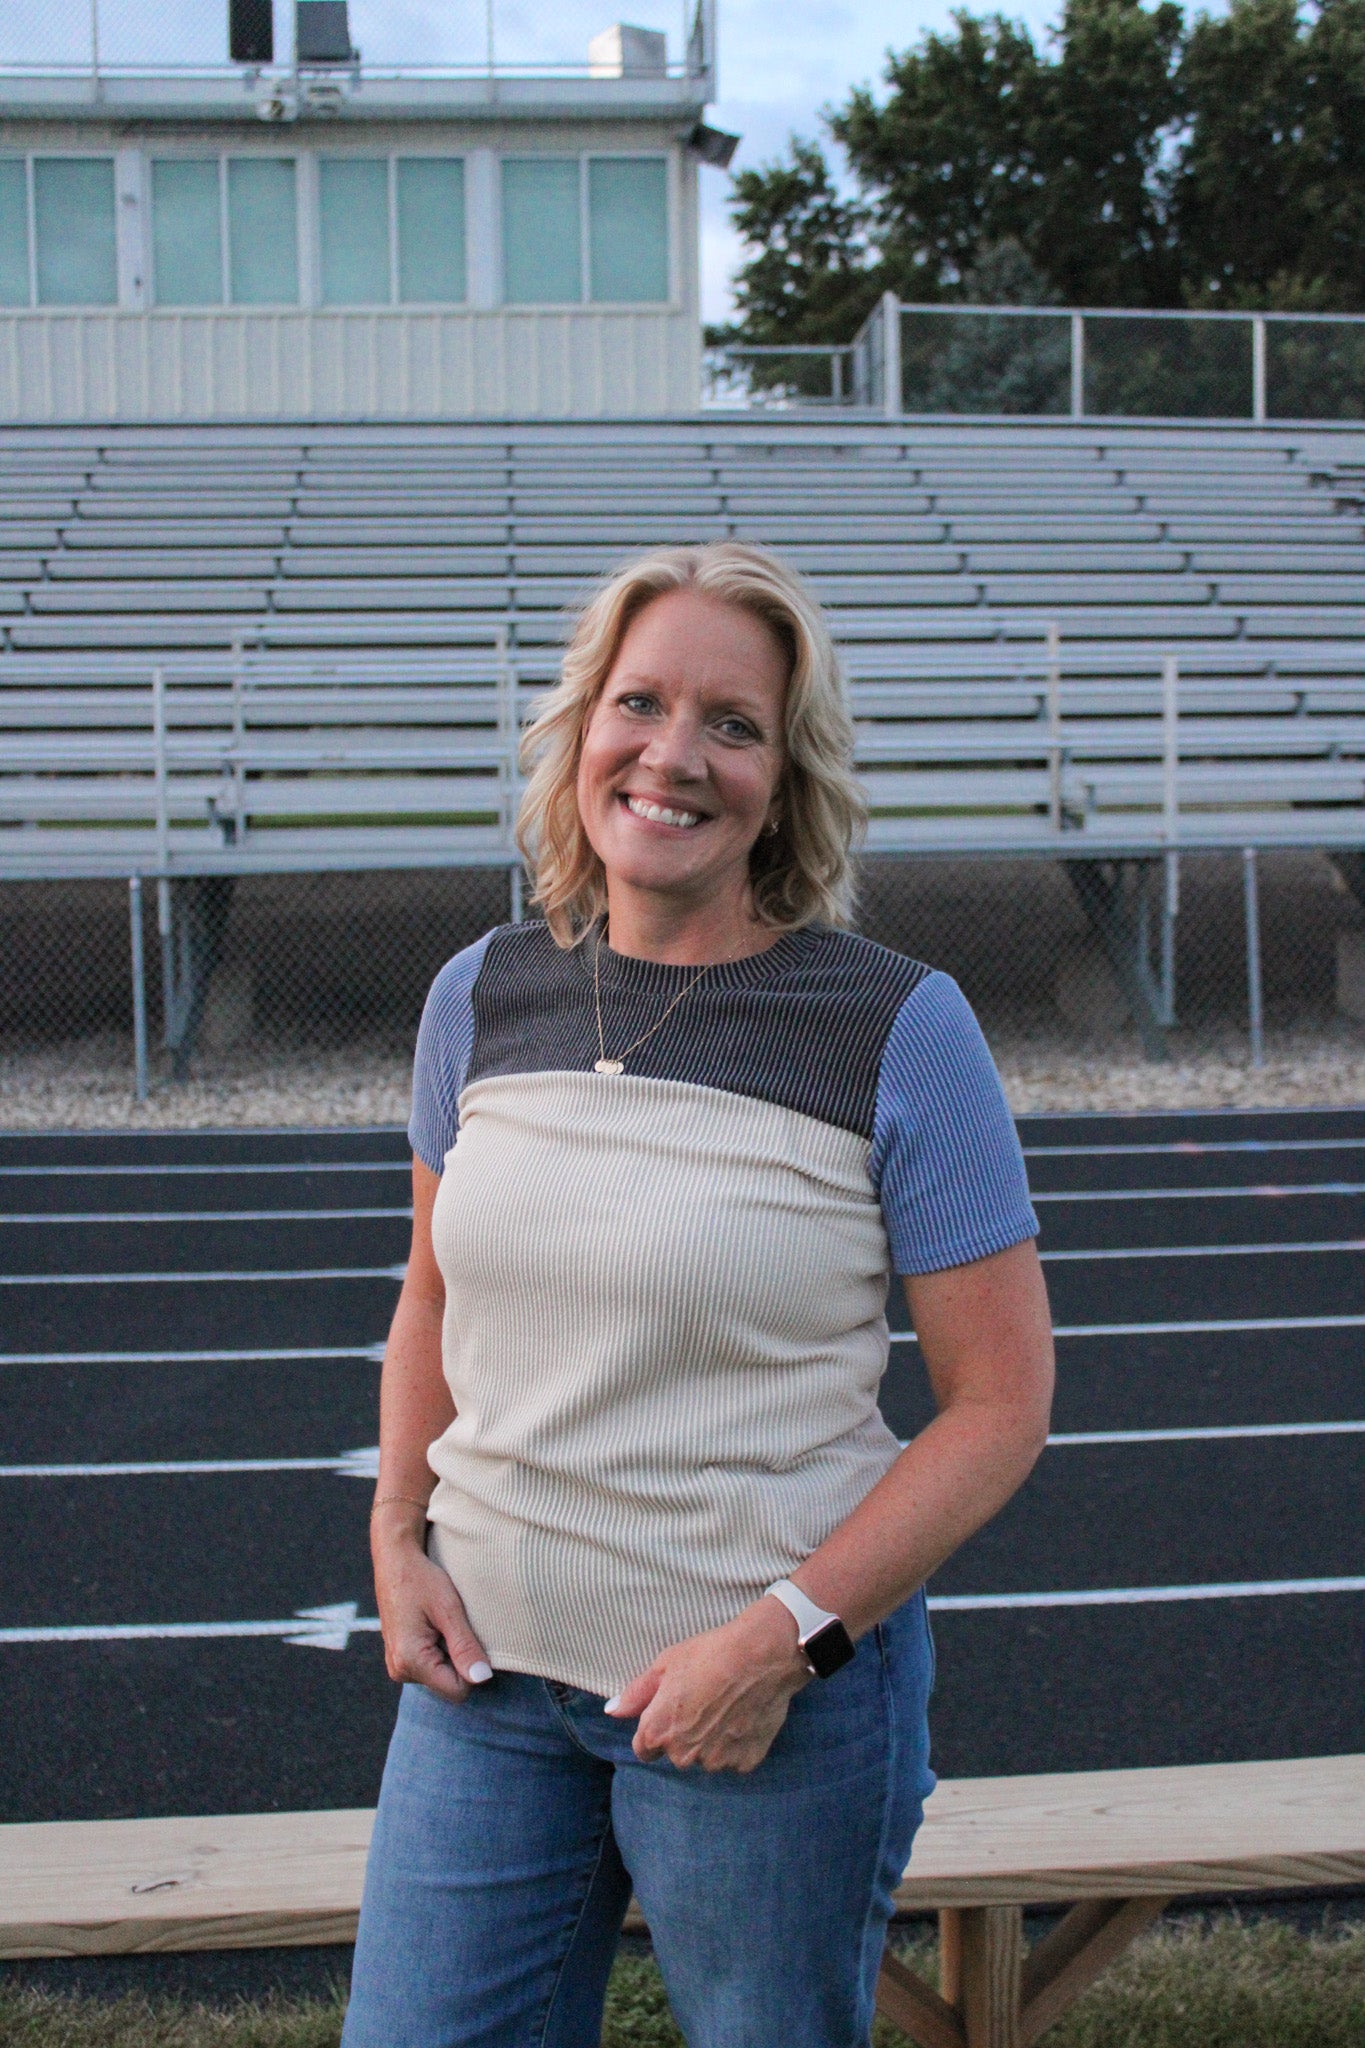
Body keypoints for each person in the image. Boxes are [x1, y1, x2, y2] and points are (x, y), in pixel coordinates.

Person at [342, 542, 1054, 2048]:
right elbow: (430, 1299)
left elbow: (999, 1408)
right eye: (640, 703)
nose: (673, 756)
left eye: (732, 726)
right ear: (580, 729)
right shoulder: (476, 993)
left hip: (758, 1708)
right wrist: (395, 1531)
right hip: (484, 1689)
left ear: (784, 783)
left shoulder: (899, 1026)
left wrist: (780, 1644)